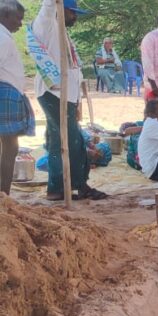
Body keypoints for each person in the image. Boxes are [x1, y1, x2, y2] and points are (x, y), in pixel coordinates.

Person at [31, 0, 107, 200]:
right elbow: (47, 7)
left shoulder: (63, 33)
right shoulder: (46, 25)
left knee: (60, 140)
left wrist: (77, 102)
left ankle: (59, 188)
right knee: (73, 140)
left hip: (66, 97)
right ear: (60, 9)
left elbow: (73, 70)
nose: (75, 16)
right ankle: (77, 185)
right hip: (53, 94)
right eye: (72, 12)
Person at [0, 0, 33, 196]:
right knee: (10, 146)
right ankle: (4, 194)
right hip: (5, 92)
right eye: (18, 19)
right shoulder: (3, 39)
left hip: (7, 91)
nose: (20, 24)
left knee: (9, 146)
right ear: (4, 16)